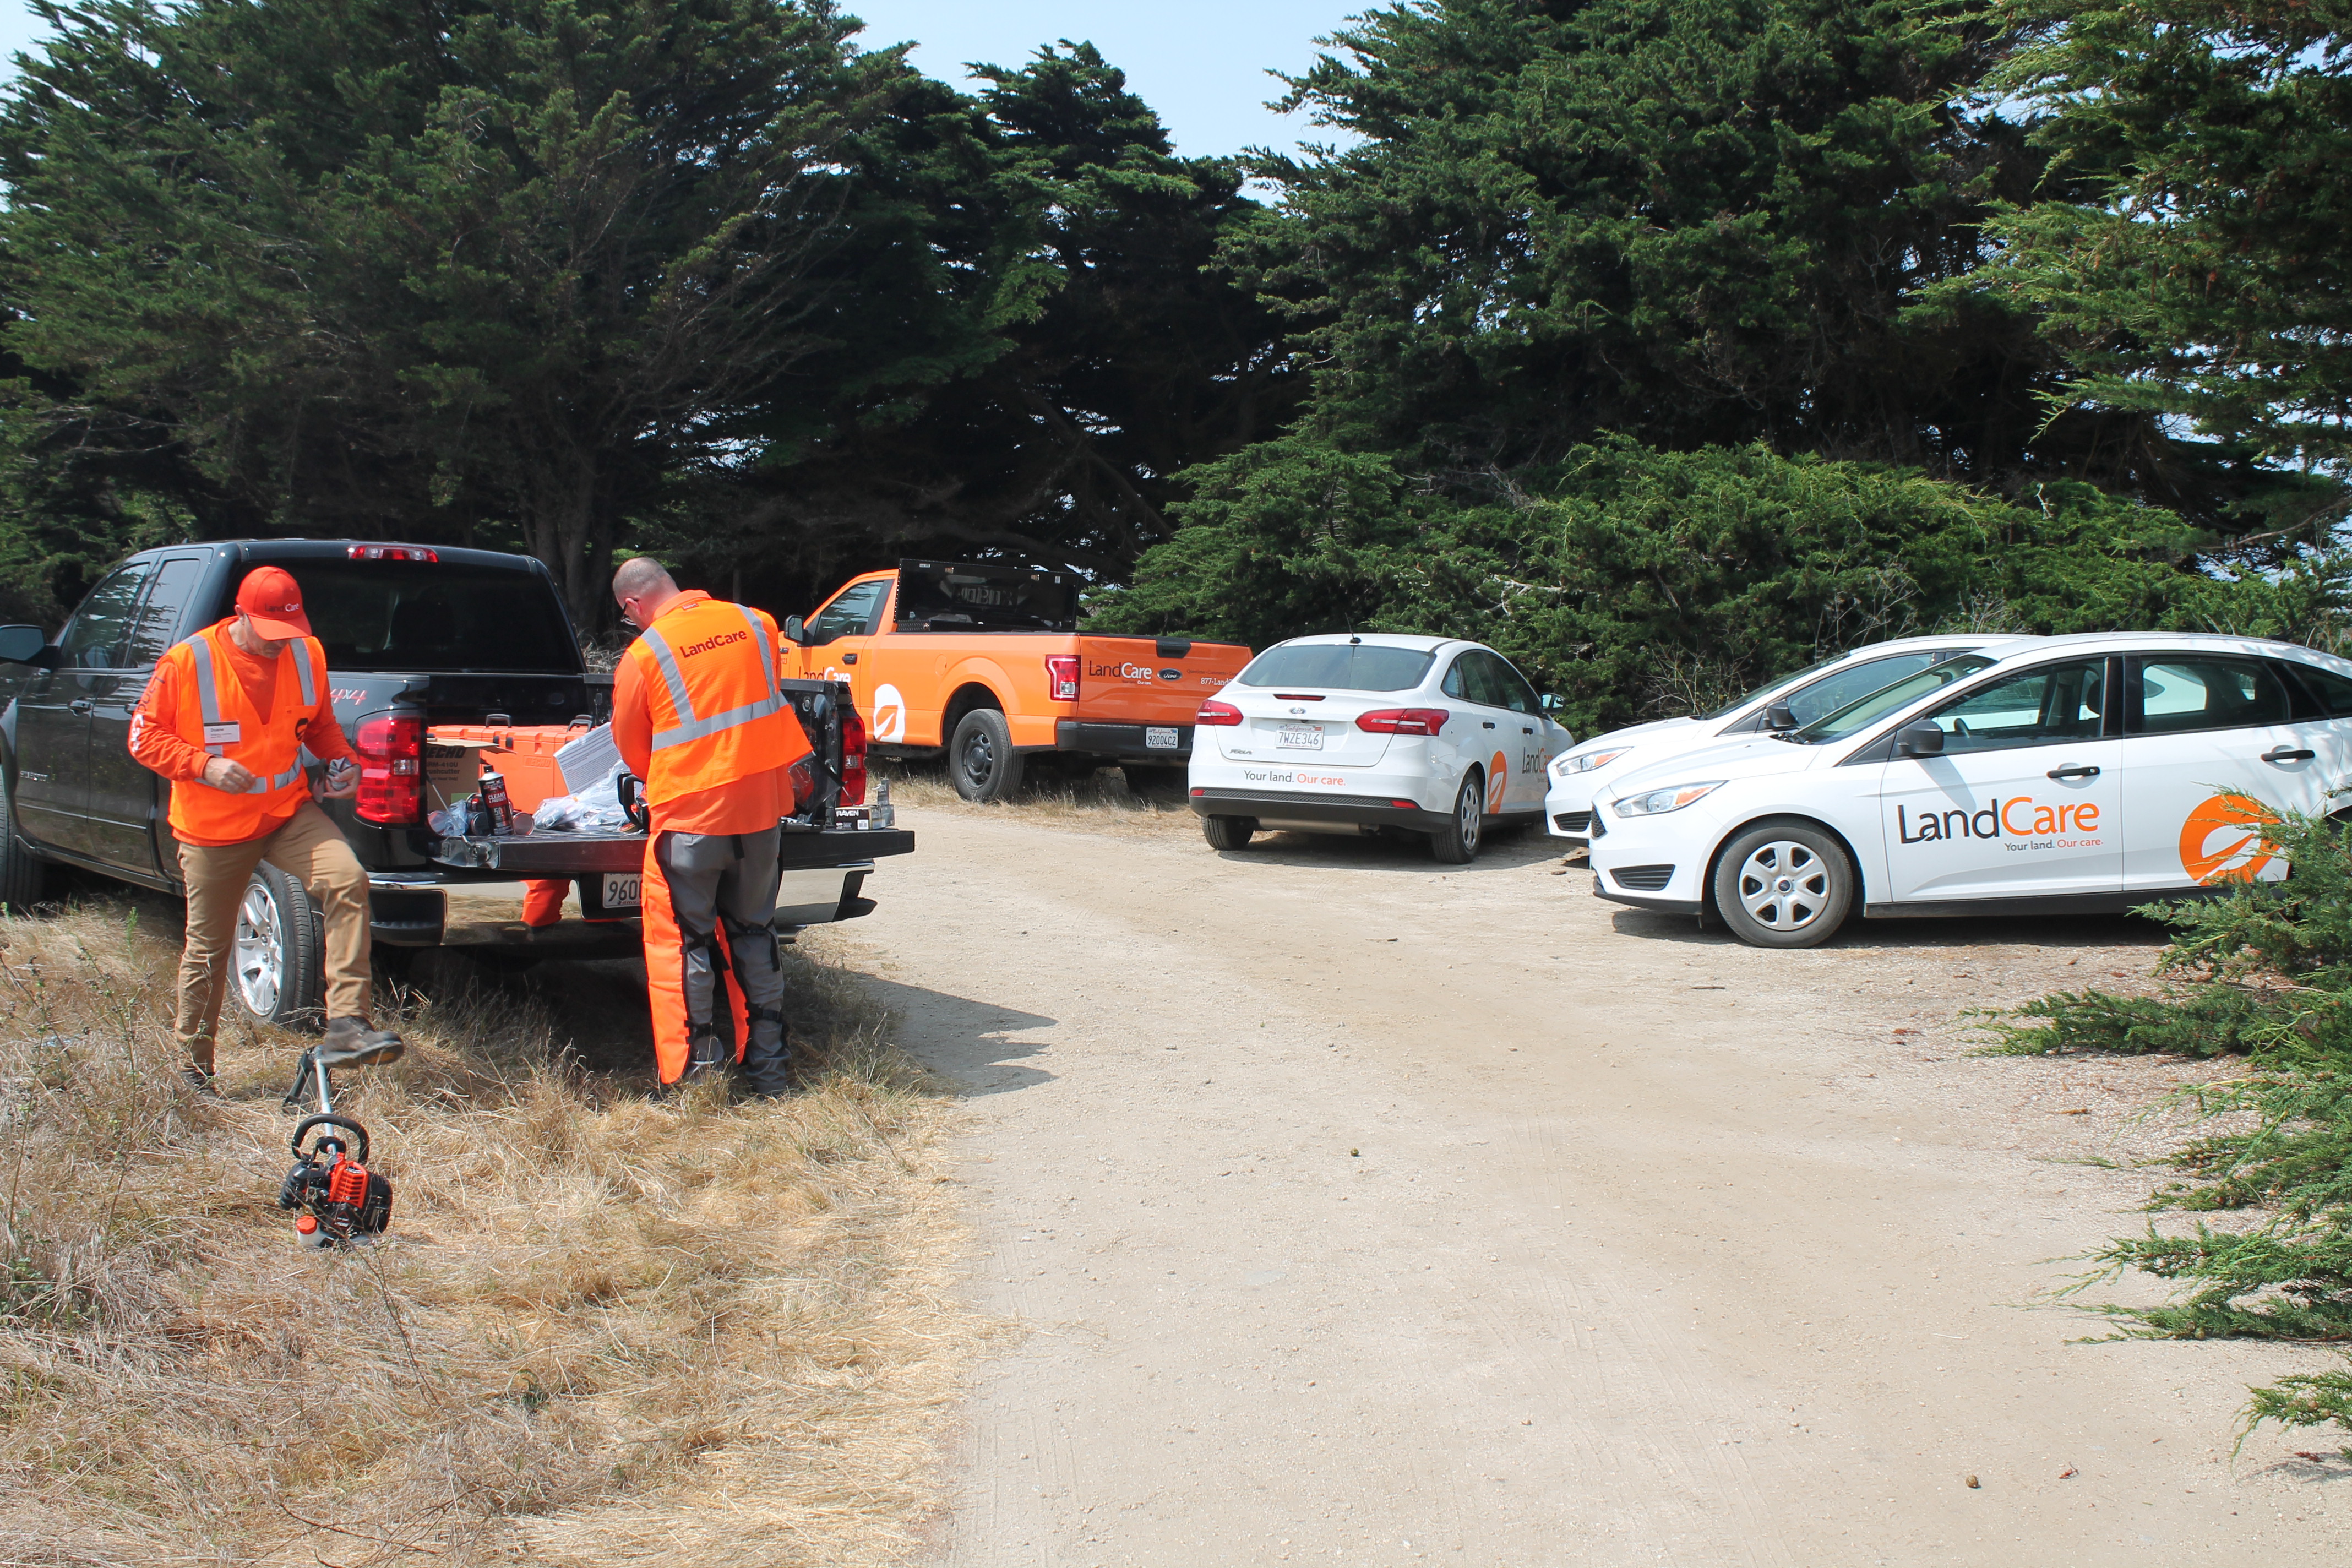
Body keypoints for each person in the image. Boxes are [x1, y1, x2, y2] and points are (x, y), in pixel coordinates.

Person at [130, 565, 404, 1091]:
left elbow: (320, 726)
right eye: (271, 634)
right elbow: (143, 739)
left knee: (348, 879)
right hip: (213, 829)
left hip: (286, 813)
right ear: (241, 616)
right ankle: (192, 1069)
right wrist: (203, 765)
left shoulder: (308, 653)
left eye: (291, 632)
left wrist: (344, 760)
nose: (283, 645)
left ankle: (347, 1024)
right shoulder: (188, 662)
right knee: (208, 951)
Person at [610, 557, 812, 1093]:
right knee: (755, 935)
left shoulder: (644, 654)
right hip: (760, 815)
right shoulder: (756, 624)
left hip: (690, 823)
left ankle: (694, 1081)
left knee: (687, 946)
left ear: (633, 606)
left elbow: (633, 748)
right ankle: (770, 1073)